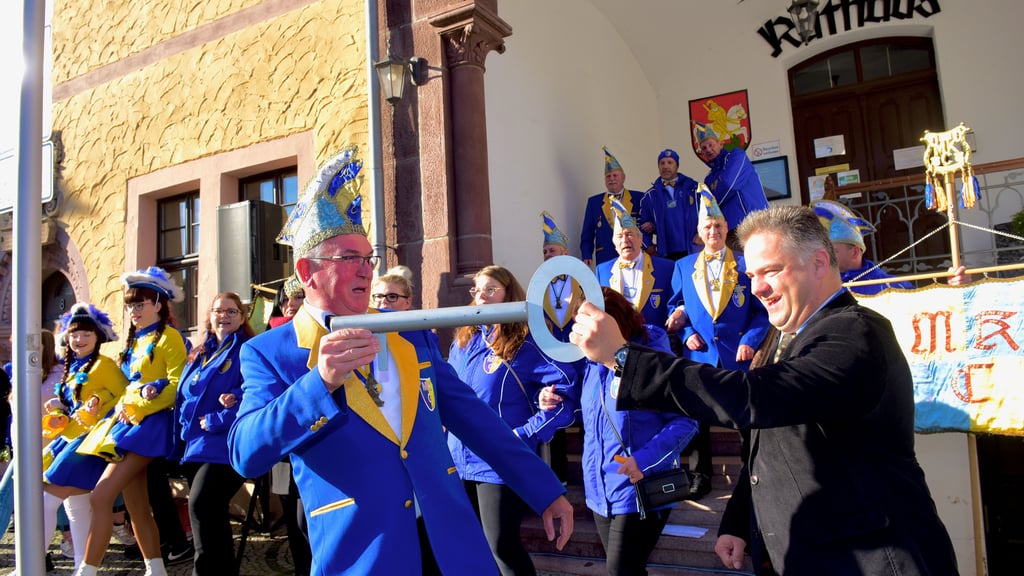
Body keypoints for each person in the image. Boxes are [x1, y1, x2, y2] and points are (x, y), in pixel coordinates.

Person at [227, 145, 573, 575]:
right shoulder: (268, 352)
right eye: (348, 258)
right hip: (365, 554)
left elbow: (473, 417)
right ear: (306, 272)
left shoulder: (406, 329)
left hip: (448, 545)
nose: (365, 269)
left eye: (367, 258)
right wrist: (319, 383)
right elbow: (245, 453)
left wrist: (544, 489)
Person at [569, 205, 959, 575]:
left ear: (819, 262)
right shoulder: (786, 337)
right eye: (751, 275)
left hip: (877, 560)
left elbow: (753, 398)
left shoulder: (855, 332)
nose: (757, 288)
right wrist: (738, 521)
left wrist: (624, 358)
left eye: (770, 271)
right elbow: (769, 444)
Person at [543, 288, 697, 576]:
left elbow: (685, 422)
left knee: (621, 571)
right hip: (599, 493)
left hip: (639, 488)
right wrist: (549, 400)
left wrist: (643, 460)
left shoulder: (650, 356)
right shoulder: (589, 365)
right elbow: (577, 410)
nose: (582, 335)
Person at [448, 265, 580, 576]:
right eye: (477, 290)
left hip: (498, 464)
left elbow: (565, 391)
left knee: (501, 546)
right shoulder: (463, 341)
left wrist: (524, 435)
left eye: (490, 289)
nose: (481, 296)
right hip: (457, 459)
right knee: (469, 546)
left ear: (509, 295)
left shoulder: (525, 342)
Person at [74, 267, 188, 576]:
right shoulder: (136, 340)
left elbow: (178, 386)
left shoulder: (170, 338)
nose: (133, 311)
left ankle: (87, 570)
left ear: (158, 304)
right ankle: (156, 568)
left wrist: (140, 404)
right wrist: (101, 400)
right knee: (136, 506)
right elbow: (127, 385)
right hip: (129, 425)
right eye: (129, 306)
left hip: (151, 427)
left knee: (101, 496)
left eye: (139, 304)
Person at [665, 191, 770, 501]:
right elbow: (675, 307)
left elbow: (762, 310)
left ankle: (751, 472)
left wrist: (750, 341)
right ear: (699, 233)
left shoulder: (744, 263)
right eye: (707, 227)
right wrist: (686, 335)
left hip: (737, 353)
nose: (713, 232)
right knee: (699, 417)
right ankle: (700, 475)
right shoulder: (683, 266)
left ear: (727, 229)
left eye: (718, 226)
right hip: (700, 354)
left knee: (744, 416)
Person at [39, 305, 127, 570]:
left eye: (86, 334)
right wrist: (59, 408)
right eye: (74, 334)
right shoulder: (72, 366)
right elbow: (74, 404)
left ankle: (31, 565)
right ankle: (81, 569)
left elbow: (124, 397)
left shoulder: (104, 365)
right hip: (69, 438)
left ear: (98, 337)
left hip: (89, 444)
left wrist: (99, 403)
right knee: (75, 506)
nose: (79, 339)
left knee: (45, 501)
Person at [177, 292, 253, 574]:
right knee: (212, 514)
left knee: (201, 505)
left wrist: (220, 417)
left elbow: (257, 395)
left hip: (229, 443)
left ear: (242, 318)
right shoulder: (200, 353)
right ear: (209, 317)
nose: (224, 316)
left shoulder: (249, 350)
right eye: (219, 311)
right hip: (195, 444)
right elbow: (185, 394)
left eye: (232, 311)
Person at [596, 200, 675, 328]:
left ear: (640, 239)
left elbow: (675, 304)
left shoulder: (667, 268)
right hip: (618, 338)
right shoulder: (602, 271)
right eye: (619, 236)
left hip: (654, 338)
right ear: (614, 243)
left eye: (629, 234)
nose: (625, 240)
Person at [811, 199, 914, 295]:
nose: (824, 258)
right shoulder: (815, 287)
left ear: (855, 252)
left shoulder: (893, 288)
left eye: (833, 251)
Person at [697, 126, 769, 249]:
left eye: (711, 145)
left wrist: (714, 200)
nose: (708, 149)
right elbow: (709, 205)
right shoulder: (709, 178)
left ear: (720, 144)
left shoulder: (736, 155)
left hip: (755, 223)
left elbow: (729, 185)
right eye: (704, 148)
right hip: (730, 232)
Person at [581, 147, 648, 267]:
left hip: (634, 254)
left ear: (623, 178)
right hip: (605, 257)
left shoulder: (638, 198)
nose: (612, 179)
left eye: (615, 175)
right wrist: (586, 254)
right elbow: (588, 232)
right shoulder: (594, 202)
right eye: (608, 176)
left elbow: (646, 225)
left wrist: (649, 247)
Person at [638, 148, 701, 260]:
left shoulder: (695, 189)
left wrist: (702, 234)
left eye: (670, 162)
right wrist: (648, 246)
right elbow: (641, 225)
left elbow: (709, 214)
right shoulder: (649, 196)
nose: (665, 166)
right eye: (662, 163)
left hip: (694, 248)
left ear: (677, 166)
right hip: (666, 253)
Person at [540, 211, 585, 342]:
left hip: (578, 343)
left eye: (552, 250)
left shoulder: (582, 281)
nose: (547, 254)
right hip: (551, 345)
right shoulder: (539, 285)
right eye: (544, 252)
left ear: (565, 253)